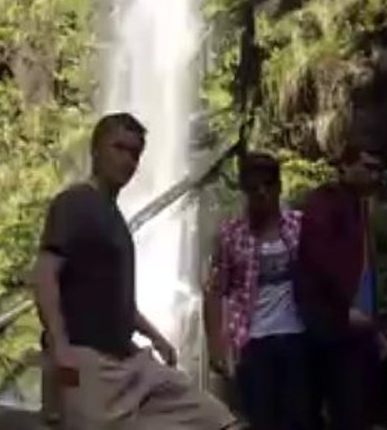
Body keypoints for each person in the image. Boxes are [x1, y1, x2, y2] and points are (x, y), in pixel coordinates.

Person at [32, 112, 239, 430]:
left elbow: (118, 302)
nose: (128, 160)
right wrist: (60, 347)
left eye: (135, 153)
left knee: (215, 419)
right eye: (119, 148)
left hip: (130, 362)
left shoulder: (115, 218)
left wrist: (156, 338)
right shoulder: (75, 203)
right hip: (86, 361)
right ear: (96, 150)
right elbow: (46, 274)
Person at [205, 152, 315, 430]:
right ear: (245, 192)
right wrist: (216, 345)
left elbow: (324, 275)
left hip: (297, 336)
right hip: (252, 340)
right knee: (262, 419)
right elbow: (214, 291)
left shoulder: (300, 227)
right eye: (254, 188)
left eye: (268, 185)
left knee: (299, 418)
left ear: (278, 187)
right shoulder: (232, 235)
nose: (262, 193)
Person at [295, 141, 387, 430]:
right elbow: (318, 262)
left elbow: (365, 271)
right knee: (343, 411)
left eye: (378, 170)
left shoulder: (358, 206)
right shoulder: (325, 202)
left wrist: (376, 327)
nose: (375, 176)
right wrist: (341, 312)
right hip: (335, 328)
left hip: (359, 329)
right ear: (345, 166)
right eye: (367, 167)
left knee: (359, 413)